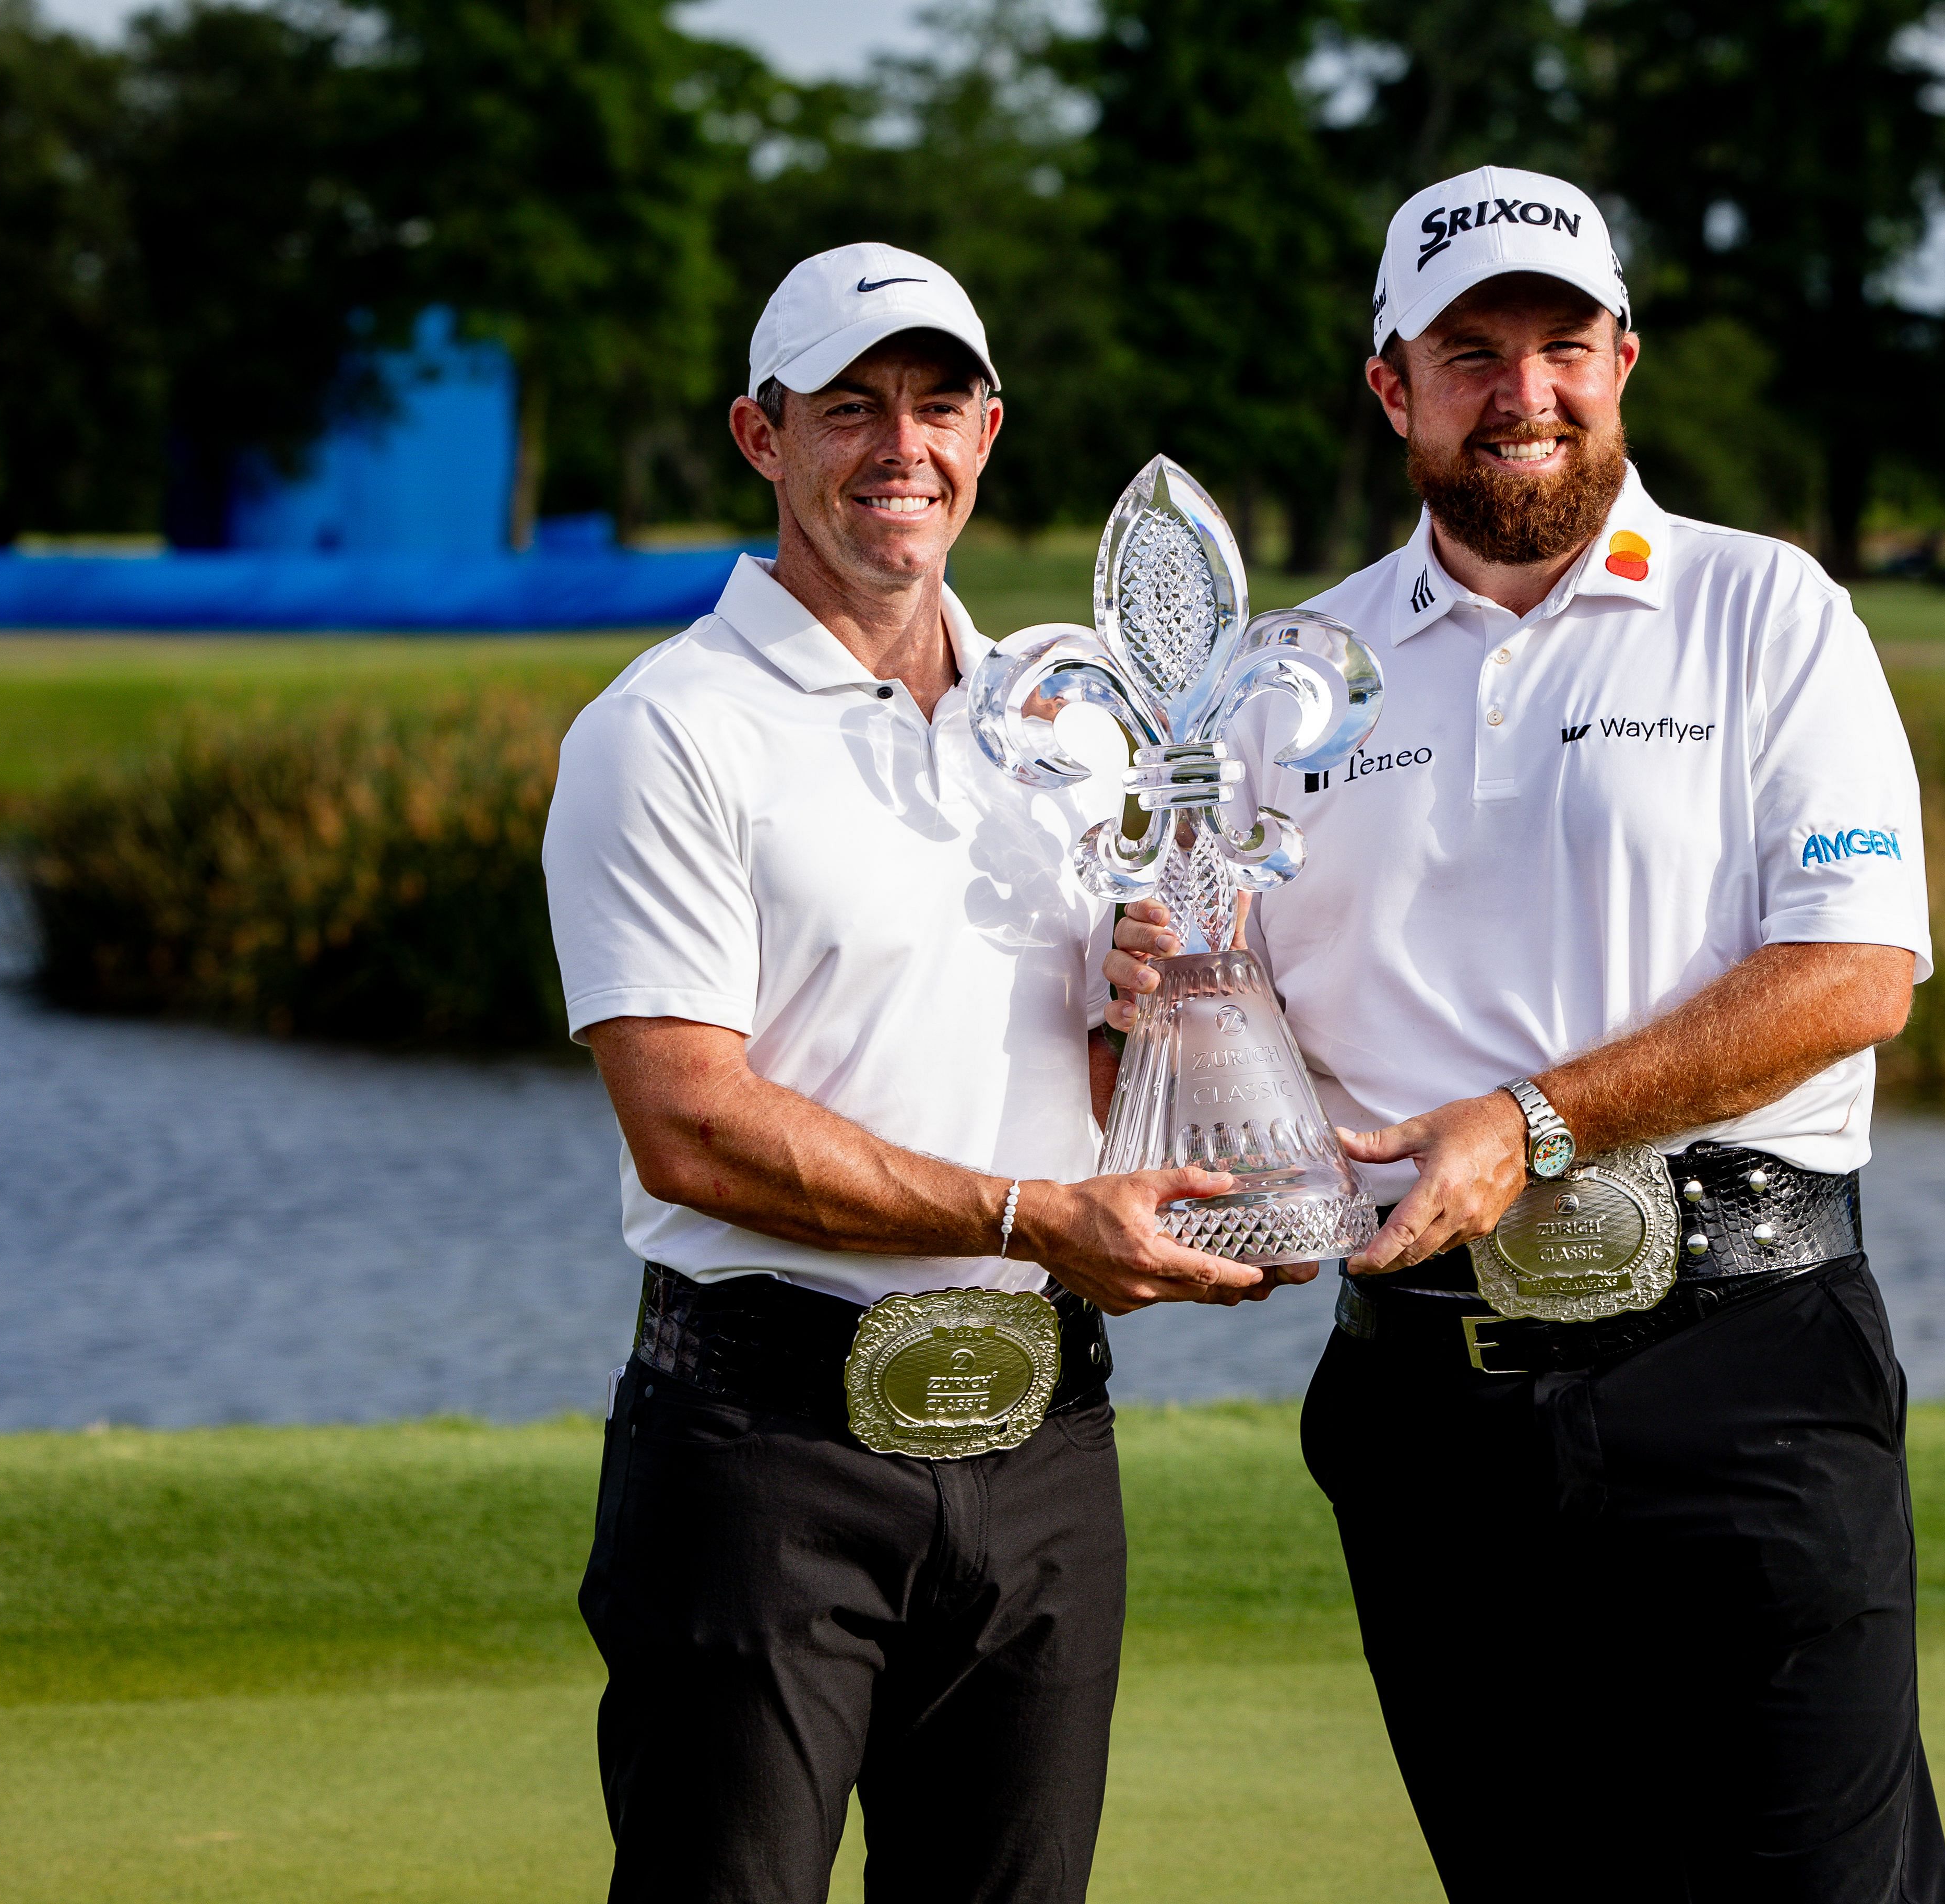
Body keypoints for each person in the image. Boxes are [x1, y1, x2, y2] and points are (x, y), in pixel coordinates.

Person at [1107, 167, 1945, 1902]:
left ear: (1624, 360)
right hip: (1431, 1401)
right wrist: (1170, 996)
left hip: (1746, 1366)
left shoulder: (1765, 611)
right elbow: (1226, 1040)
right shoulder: (1289, 669)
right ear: (1391, 387)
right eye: (1472, 351)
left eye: (1564, 344)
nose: (1525, 393)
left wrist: (1534, 1120)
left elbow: (1856, 970)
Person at [543, 242, 1264, 1904]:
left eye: (940, 403)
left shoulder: (1072, 722)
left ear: (991, 431)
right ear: (759, 435)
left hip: (1048, 1439)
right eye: (850, 406)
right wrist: (1033, 1217)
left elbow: (1076, 1079)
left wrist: (1146, 1018)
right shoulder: (668, 731)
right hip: (766, 1451)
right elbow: (689, 1128)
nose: (902, 446)